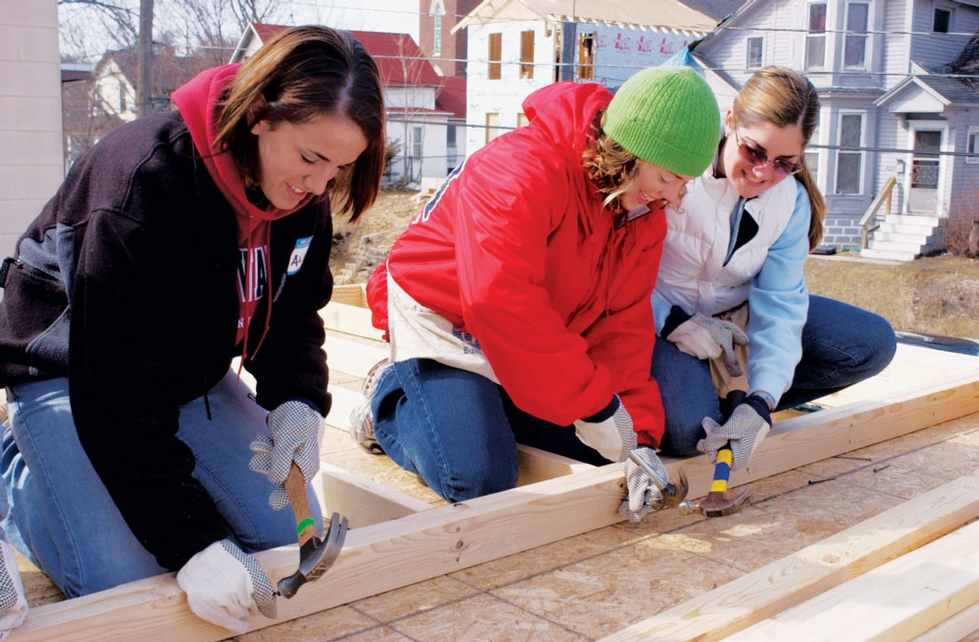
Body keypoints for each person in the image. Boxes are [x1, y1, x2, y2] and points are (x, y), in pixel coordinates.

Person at [0, 25, 384, 634]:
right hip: (74, 373)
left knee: (277, 538)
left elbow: (291, 309)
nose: (319, 186)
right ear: (260, 115)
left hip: (188, 372)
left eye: (341, 167)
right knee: (127, 578)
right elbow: (113, 392)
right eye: (312, 159)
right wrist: (192, 542)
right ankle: (21, 474)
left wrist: (299, 401)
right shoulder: (145, 185)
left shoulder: (301, 191)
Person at [351, 67, 720, 520]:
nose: (675, 197)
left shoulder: (643, 211)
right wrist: (594, 404)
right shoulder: (520, 169)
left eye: (684, 183)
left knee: (600, 451)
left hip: (529, 331)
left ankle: (486, 403)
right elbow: (500, 301)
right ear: (629, 152)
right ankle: (386, 399)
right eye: (668, 178)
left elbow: (623, 324)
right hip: (446, 317)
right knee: (477, 478)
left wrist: (637, 437)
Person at [651, 67, 897, 470]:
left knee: (870, 343)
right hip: (663, 322)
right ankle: (699, 396)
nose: (764, 172)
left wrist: (761, 400)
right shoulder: (677, 171)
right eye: (754, 151)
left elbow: (780, 304)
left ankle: (737, 401)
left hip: (735, 320)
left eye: (785, 162)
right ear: (730, 121)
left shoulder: (790, 202)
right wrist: (670, 320)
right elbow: (614, 273)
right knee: (687, 435)